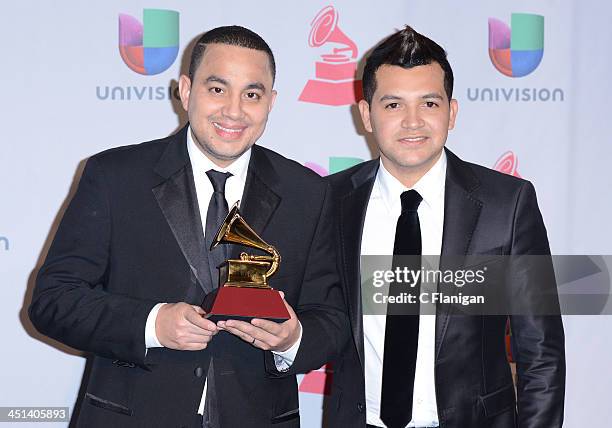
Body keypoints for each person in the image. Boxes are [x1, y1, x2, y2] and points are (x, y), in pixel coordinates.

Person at [29, 26, 347, 428]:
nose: (234, 110)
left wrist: (293, 339)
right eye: (217, 89)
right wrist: (152, 324)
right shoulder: (115, 177)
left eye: (252, 94)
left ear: (272, 102)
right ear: (185, 90)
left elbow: (332, 319)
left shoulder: (308, 193)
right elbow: (54, 300)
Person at [326, 26, 565, 428]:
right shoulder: (329, 200)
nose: (413, 122)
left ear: (451, 113)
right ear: (366, 115)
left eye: (429, 104)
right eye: (393, 105)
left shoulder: (506, 204)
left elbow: (540, 353)